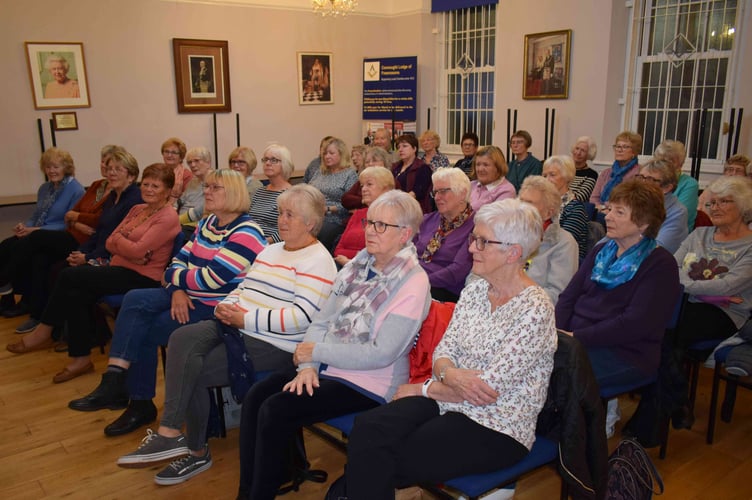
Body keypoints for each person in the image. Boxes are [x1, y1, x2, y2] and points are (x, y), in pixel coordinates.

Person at [114, 184, 338, 485]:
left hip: (276, 342)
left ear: (310, 223)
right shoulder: (272, 249)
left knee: (197, 368)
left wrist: (247, 319)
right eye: (281, 213)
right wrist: (226, 305)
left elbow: (304, 318)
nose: (281, 220)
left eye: (290, 215)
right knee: (180, 338)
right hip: (238, 323)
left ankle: (195, 452)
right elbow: (244, 287)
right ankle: (170, 432)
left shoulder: (318, 261)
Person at [342, 199, 557, 499]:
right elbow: (444, 352)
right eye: (473, 239)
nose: (471, 248)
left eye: (482, 242)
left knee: (396, 455)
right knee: (369, 428)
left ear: (514, 253)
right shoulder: (476, 290)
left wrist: (425, 388)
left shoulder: (535, 310)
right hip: (450, 402)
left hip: (498, 424)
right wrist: (451, 375)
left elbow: (486, 389)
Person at [235, 190, 431, 500]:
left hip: (370, 383)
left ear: (405, 234)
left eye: (382, 226)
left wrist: (314, 353)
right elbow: (323, 321)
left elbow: (382, 353)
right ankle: (250, 491)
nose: (370, 231)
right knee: (258, 395)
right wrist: (309, 365)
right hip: (326, 366)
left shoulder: (413, 281)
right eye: (370, 222)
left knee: (276, 407)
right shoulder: (358, 265)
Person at [67, 169, 266, 436]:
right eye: (206, 187)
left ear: (234, 193)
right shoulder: (208, 224)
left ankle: (136, 401)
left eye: (214, 188)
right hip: (188, 295)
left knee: (146, 328)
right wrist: (177, 289)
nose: (206, 192)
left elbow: (212, 279)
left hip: (215, 307)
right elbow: (174, 264)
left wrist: (177, 281)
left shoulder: (247, 232)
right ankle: (115, 377)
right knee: (135, 298)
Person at [6, 164, 181, 384]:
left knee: (70, 276)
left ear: (167, 190)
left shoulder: (168, 217)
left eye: (156, 185)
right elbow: (110, 241)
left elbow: (134, 249)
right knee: (76, 290)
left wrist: (126, 246)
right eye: (146, 184)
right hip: (121, 267)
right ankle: (80, 359)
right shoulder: (137, 209)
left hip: (142, 277)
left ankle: (45, 330)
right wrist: (130, 248)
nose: (149, 189)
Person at [556, 180, 680, 412]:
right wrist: (557, 334)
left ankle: (575, 443)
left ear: (644, 222)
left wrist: (574, 337)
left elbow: (633, 324)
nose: (608, 217)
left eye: (619, 212)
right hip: (578, 339)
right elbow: (568, 297)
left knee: (558, 378)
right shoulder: (601, 251)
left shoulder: (660, 264)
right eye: (609, 209)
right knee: (532, 365)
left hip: (626, 352)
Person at [6, 147, 142, 335]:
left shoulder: (134, 200)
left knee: (64, 272)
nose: (110, 172)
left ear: (131, 175)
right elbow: (89, 226)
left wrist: (87, 256)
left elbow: (113, 239)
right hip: (93, 247)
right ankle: (56, 326)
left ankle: (56, 330)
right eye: (109, 167)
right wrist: (83, 250)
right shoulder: (111, 195)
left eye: (117, 169)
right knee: (42, 260)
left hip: (114, 259)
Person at [0, 148, 85, 304]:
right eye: (48, 167)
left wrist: (34, 230)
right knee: (5, 245)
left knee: (21, 250)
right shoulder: (44, 188)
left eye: (56, 167)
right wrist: (24, 227)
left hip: (56, 235)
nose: (51, 171)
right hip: (36, 233)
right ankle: (7, 297)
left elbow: (68, 224)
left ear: (66, 168)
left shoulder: (77, 190)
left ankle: (4, 283)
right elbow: (36, 215)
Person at [414, 168, 474, 302]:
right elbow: (407, 251)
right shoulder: (427, 220)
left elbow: (456, 271)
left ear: (463, 193)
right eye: (435, 192)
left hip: (444, 291)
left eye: (443, 191)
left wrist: (419, 281)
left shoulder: (475, 227)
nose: (436, 197)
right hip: (415, 281)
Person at [518, 176, 579, 304]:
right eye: (520, 201)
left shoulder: (564, 243)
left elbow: (558, 295)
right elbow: (478, 274)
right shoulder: (506, 233)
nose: (520, 208)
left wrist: (512, 297)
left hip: (532, 312)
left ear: (548, 213)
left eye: (528, 204)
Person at [334, 166, 395, 267]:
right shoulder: (358, 214)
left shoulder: (392, 217)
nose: (363, 189)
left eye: (369, 184)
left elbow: (379, 255)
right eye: (362, 186)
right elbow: (338, 250)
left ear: (386, 189)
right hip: (343, 266)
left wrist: (351, 261)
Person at [307, 137, 358, 251]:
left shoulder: (349, 174)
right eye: (325, 153)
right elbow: (308, 190)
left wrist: (327, 209)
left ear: (341, 154)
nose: (327, 156)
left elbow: (351, 205)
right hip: (313, 214)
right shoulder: (320, 172)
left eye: (331, 153)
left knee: (320, 231)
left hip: (334, 218)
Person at [542, 155, 590, 260]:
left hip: (563, 262)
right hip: (541, 257)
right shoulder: (542, 205)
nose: (547, 180)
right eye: (544, 176)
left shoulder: (575, 209)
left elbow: (560, 245)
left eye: (552, 175)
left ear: (566, 177)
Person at [635, 159, 688, 253]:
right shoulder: (634, 203)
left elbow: (657, 249)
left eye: (650, 180)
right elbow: (612, 237)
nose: (642, 184)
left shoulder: (678, 212)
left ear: (667, 188)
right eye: (641, 177)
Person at [249, 144, 294, 243]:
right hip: (251, 240)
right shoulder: (260, 191)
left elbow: (291, 228)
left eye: (274, 160)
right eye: (265, 160)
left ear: (285, 164)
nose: (268, 163)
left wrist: (262, 242)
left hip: (272, 246)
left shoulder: (291, 195)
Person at [653, 139, 698, 231]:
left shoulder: (689, 184)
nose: (664, 165)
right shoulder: (650, 179)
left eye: (670, 161)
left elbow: (680, 217)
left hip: (674, 232)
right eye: (660, 160)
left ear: (681, 164)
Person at [590, 131, 642, 208]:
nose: (619, 150)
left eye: (625, 147)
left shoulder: (639, 174)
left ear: (634, 152)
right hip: (599, 213)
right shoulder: (606, 173)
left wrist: (607, 208)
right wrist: (601, 209)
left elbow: (631, 202)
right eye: (617, 146)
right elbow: (594, 198)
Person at [177, 147, 213, 238]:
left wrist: (176, 221)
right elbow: (180, 201)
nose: (192, 165)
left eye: (197, 161)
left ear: (208, 162)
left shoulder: (216, 181)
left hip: (195, 225)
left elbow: (201, 210)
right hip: (181, 223)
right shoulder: (193, 181)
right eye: (189, 162)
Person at [392, 134, 433, 213]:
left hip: (412, 209)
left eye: (404, 146)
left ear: (414, 149)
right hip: (394, 205)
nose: (400, 150)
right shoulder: (395, 167)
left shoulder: (423, 168)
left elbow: (416, 192)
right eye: (398, 147)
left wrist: (397, 203)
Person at [468, 145, 515, 212]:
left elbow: (493, 219)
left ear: (498, 167)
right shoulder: (471, 185)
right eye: (478, 164)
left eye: (485, 165)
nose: (480, 169)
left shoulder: (507, 191)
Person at [161, 138, 193, 207]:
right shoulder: (157, 171)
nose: (169, 155)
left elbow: (188, 200)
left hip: (178, 210)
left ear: (181, 157)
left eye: (174, 153)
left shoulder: (187, 175)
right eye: (166, 151)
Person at [341, 145, 372, 211]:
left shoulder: (369, 176)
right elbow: (346, 198)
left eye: (357, 155)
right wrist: (362, 200)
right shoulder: (354, 173)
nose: (353, 158)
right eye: (352, 156)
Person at [569, 136, 599, 202]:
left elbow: (580, 198)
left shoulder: (592, 175)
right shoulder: (564, 169)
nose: (578, 153)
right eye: (577, 148)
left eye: (583, 150)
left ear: (589, 154)